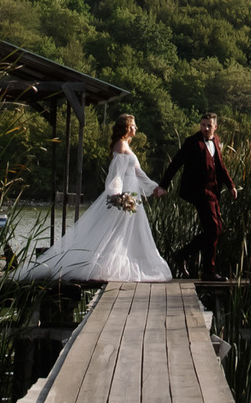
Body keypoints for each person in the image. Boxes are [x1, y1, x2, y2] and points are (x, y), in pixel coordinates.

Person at [11, 114, 172, 282]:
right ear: (126, 127)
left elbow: (139, 173)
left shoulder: (126, 146)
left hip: (132, 195)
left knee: (126, 233)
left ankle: (122, 263)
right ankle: (102, 265)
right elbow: (115, 175)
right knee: (116, 231)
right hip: (125, 196)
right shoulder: (121, 145)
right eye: (133, 125)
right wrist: (117, 195)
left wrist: (155, 188)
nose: (136, 128)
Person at [152, 112, 238, 280]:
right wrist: (163, 185)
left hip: (213, 191)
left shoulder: (216, 140)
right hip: (199, 192)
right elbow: (175, 163)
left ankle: (183, 256)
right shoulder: (192, 142)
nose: (205, 128)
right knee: (213, 228)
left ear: (215, 127)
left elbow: (220, 166)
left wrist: (231, 185)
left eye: (208, 125)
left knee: (216, 229)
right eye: (203, 125)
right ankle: (208, 271)